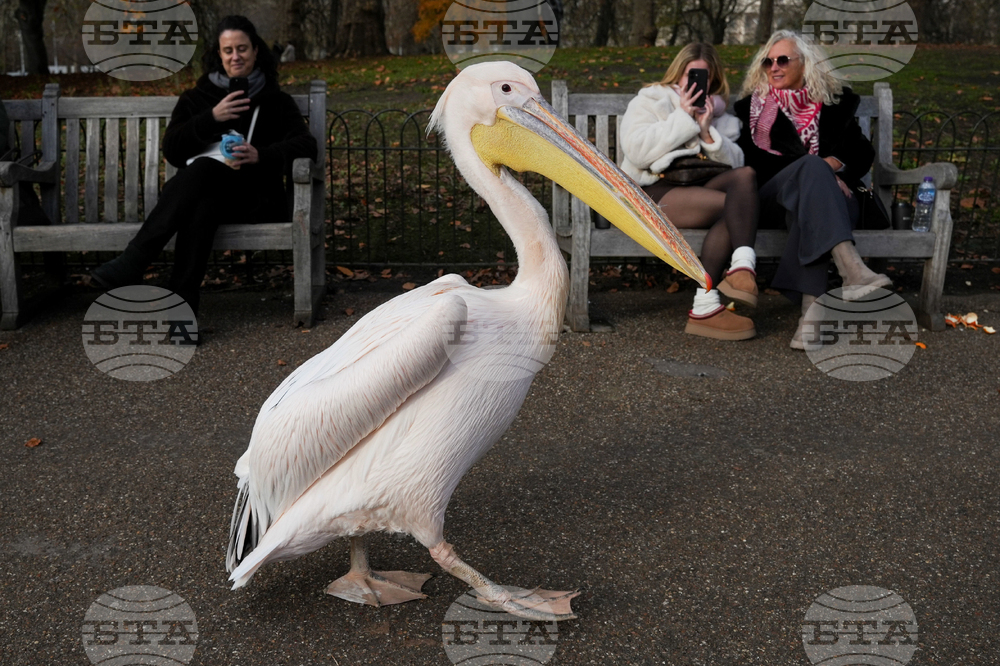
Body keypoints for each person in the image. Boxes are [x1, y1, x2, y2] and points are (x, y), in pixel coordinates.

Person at [90, 15, 317, 313]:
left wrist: (261, 155)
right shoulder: (197, 99)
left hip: (256, 200)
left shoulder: (276, 100)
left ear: (256, 50)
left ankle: (135, 260)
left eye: (242, 48)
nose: (235, 56)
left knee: (202, 173)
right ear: (219, 54)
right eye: (228, 50)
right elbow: (172, 150)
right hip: (207, 198)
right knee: (202, 202)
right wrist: (211, 118)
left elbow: (307, 145)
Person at [734, 30, 891, 349]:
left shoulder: (835, 104)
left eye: (782, 60)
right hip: (772, 200)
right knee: (812, 175)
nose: (774, 67)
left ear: (806, 63)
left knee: (813, 204)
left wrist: (830, 166)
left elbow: (862, 153)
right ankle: (848, 275)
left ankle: (811, 323)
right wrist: (815, 169)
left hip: (834, 200)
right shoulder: (751, 110)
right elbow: (752, 165)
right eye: (768, 61)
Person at [620, 43, 759, 341]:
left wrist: (708, 130)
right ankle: (707, 303)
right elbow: (637, 152)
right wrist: (683, 119)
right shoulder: (650, 101)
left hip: (700, 190)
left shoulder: (721, 115)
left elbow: (737, 162)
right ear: (678, 75)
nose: (694, 83)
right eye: (689, 74)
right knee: (735, 208)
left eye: (704, 77)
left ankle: (739, 273)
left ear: (714, 80)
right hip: (654, 191)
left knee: (745, 177)